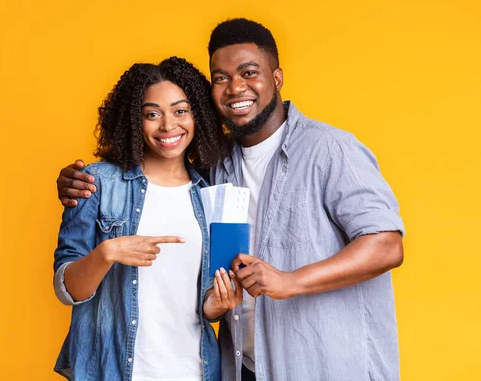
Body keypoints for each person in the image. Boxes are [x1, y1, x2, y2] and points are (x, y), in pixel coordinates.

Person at [57, 19, 406, 381]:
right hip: (244, 367)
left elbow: (386, 245)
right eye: (221, 77)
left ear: (277, 77)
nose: (236, 87)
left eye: (249, 72)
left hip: (323, 365)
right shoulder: (216, 167)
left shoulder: (330, 149)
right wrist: (77, 187)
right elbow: (201, 283)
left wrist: (290, 281)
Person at [52, 56, 243, 381]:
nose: (168, 126)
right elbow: (66, 289)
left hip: (195, 370)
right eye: (152, 114)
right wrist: (106, 253)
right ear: (132, 120)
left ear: (198, 115)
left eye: (180, 111)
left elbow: (206, 303)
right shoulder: (96, 184)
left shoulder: (213, 193)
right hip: (114, 370)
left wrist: (218, 304)